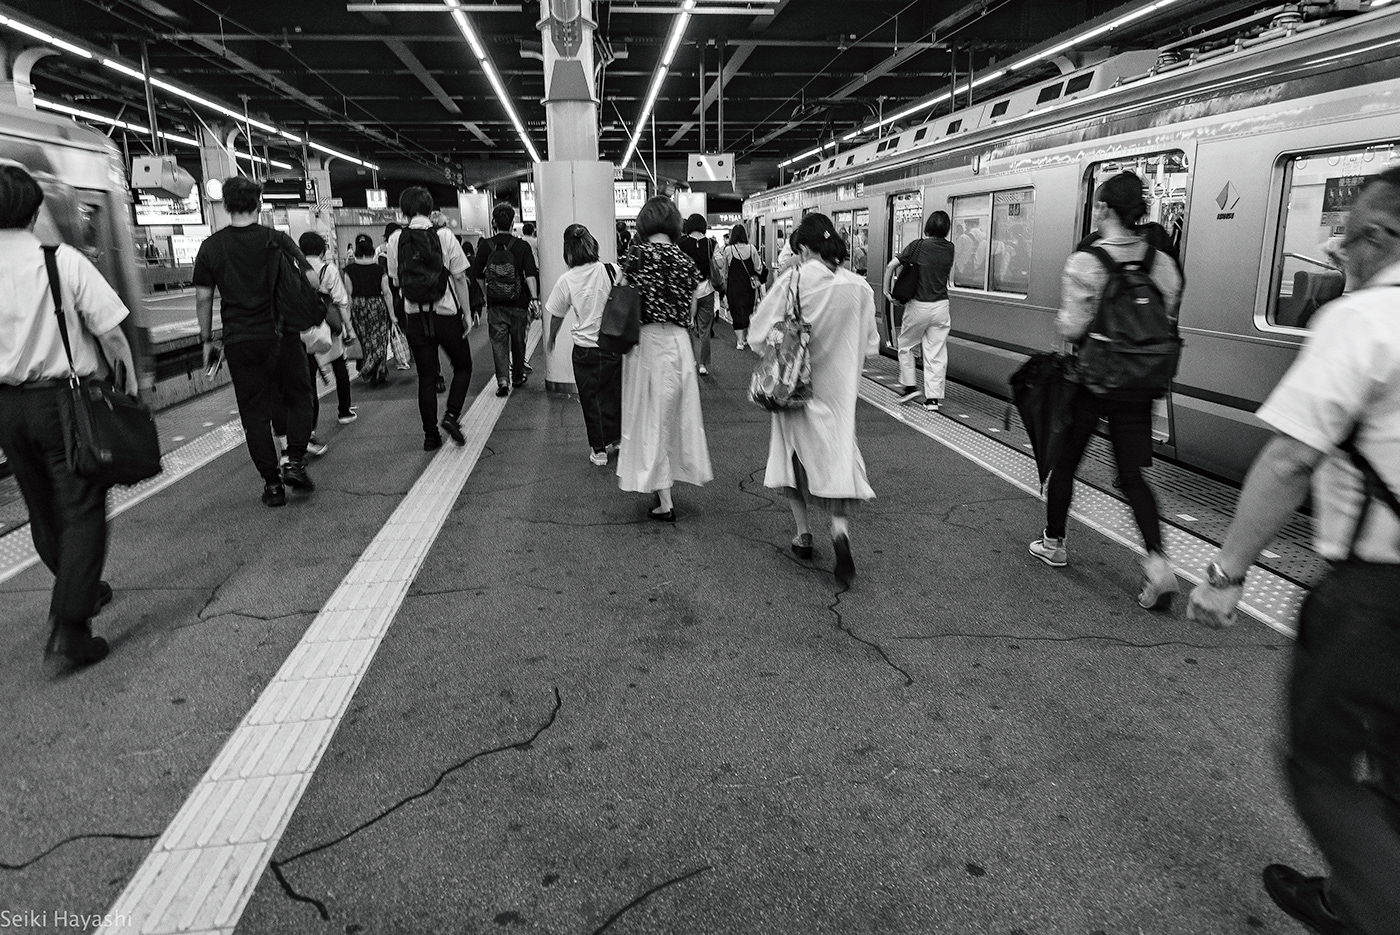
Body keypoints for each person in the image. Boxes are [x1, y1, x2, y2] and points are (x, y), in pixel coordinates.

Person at [1187, 166, 1400, 935]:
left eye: (1345, 240)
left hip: (1379, 597)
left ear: (1377, 238)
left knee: (1323, 767)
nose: (1340, 253)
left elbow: (1289, 460)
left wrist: (1225, 571)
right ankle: (1351, 894)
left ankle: (1373, 909)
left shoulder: (1367, 318)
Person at [0, 164, 138, 665]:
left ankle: (78, 585)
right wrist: (129, 381)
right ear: (36, 210)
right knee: (82, 506)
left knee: (42, 505)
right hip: (62, 400)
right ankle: (70, 628)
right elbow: (112, 332)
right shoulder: (61, 261)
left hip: (7, 409)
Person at [1028, 171, 1183, 609]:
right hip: (1139, 384)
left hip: (1092, 381)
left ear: (1106, 211)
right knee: (1132, 476)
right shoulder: (1163, 264)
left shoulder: (1086, 261)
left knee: (1067, 462)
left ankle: (1054, 541)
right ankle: (1158, 564)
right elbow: (1165, 319)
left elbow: (1072, 326)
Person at [748, 212, 879, 585]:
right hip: (839, 396)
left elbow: (759, 335)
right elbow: (871, 346)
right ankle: (840, 535)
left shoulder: (794, 279)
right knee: (838, 460)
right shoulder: (859, 287)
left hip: (796, 390)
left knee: (792, 461)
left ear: (804, 248)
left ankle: (803, 534)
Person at [195, 176, 318, 504]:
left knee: (254, 415)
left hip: (240, 341)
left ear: (225, 205)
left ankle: (272, 486)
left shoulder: (211, 247)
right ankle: (294, 461)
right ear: (258, 204)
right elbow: (313, 277)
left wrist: (207, 341)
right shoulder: (276, 239)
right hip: (281, 336)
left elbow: (204, 299)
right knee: (299, 398)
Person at [617, 196, 713, 520]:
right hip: (679, 343)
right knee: (674, 419)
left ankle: (665, 498)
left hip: (646, 344)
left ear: (644, 223)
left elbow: (620, 294)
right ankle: (665, 491)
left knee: (647, 418)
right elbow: (692, 307)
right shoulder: (686, 261)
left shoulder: (636, 257)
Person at [385, 186, 476, 450]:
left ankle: (430, 436)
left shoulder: (395, 239)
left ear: (404, 211)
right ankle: (451, 415)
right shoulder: (445, 235)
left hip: (415, 316)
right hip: (445, 314)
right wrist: (467, 313)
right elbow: (459, 277)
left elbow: (394, 278)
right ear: (429, 208)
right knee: (463, 366)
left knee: (426, 377)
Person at [545, 224, 622, 466]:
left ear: (567, 251)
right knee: (612, 393)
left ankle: (599, 450)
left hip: (585, 351)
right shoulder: (611, 270)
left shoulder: (566, 280)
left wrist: (551, 338)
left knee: (590, 399)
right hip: (611, 346)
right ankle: (617, 439)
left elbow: (556, 314)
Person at [883, 210, 955, 412]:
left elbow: (891, 266)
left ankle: (910, 386)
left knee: (905, 344)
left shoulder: (917, 245)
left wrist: (887, 291)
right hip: (941, 306)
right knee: (936, 352)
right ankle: (933, 400)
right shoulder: (950, 248)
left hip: (918, 305)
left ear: (928, 226)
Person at [471, 203, 540, 397]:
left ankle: (502, 380)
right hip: (518, 302)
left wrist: (486, 295)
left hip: (495, 304)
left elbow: (477, 274)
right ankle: (517, 376)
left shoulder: (486, 245)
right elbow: (530, 274)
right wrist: (534, 298)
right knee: (519, 342)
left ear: (494, 222)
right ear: (512, 223)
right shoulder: (522, 246)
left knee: (498, 342)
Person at [298, 232, 357, 428]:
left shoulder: (295, 268)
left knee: (309, 378)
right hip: (329, 326)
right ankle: (344, 411)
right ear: (322, 250)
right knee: (340, 367)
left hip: (304, 328)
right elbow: (341, 301)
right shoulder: (328, 270)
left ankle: (311, 426)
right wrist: (349, 329)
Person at [343, 233, 394, 386]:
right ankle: (377, 367)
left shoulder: (349, 270)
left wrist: (348, 317)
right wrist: (392, 314)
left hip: (359, 307)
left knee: (365, 339)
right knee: (380, 337)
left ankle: (368, 366)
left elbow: (349, 295)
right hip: (376, 305)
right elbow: (386, 293)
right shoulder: (379, 269)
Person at [677, 213, 719, 374]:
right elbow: (719, 263)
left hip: (687, 291)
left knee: (687, 327)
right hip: (706, 289)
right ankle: (703, 365)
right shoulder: (711, 244)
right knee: (705, 330)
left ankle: (690, 359)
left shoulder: (680, 243)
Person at [715, 224, 765, 350]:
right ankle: (746, 337)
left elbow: (725, 271)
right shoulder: (752, 249)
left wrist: (725, 284)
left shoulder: (728, 250)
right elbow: (758, 268)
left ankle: (739, 341)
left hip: (733, 287)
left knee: (736, 311)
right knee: (748, 310)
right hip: (748, 287)